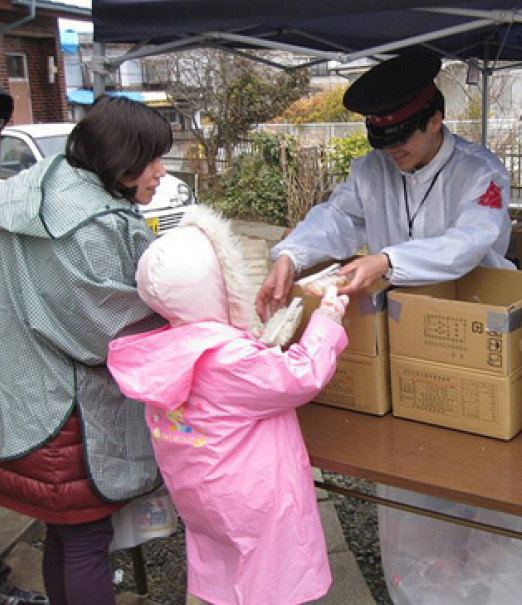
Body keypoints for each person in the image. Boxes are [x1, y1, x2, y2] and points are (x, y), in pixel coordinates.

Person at [107, 205, 350, 605]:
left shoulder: (165, 349)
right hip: (252, 495)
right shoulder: (229, 358)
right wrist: (328, 315)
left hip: (202, 494)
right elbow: (302, 374)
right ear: (217, 284)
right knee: (269, 576)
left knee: (219, 564)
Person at [0, 95, 172, 605]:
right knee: (87, 542)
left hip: (21, 399)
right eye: (151, 160)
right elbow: (111, 333)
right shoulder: (92, 225)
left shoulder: (29, 192)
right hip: (69, 412)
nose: (161, 173)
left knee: (64, 531)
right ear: (119, 160)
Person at [255, 47, 515, 319]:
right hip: (400, 310)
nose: (393, 151)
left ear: (435, 120)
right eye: (383, 142)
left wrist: (388, 261)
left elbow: (468, 242)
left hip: (474, 307)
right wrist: (292, 256)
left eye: (402, 139)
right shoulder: (373, 169)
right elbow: (339, 218)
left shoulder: (480, 172)